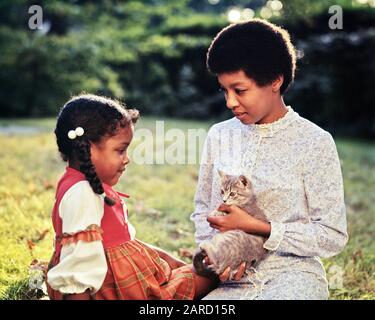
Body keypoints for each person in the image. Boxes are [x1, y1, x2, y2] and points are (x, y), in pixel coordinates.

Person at [190, 19, 348, 300]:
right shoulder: (219, 135)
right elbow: (204, 209)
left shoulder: (315, 142)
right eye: (224, 90)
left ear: (275, 80)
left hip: (292, 278)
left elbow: (331, 235)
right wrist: (216, 257)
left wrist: (260, 228)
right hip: (229, 282)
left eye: (239, 90)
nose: (230, 102)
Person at [46, 94, 217, 300]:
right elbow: (76, 273)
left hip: (128, 278)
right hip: (119, 290)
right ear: (89, 149)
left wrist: (175, 264)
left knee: (196, 272)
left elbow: (127, 241)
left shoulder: (82, 183)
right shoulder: (82, 193)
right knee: (212, 277)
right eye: (120, 150)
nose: (127, 159)